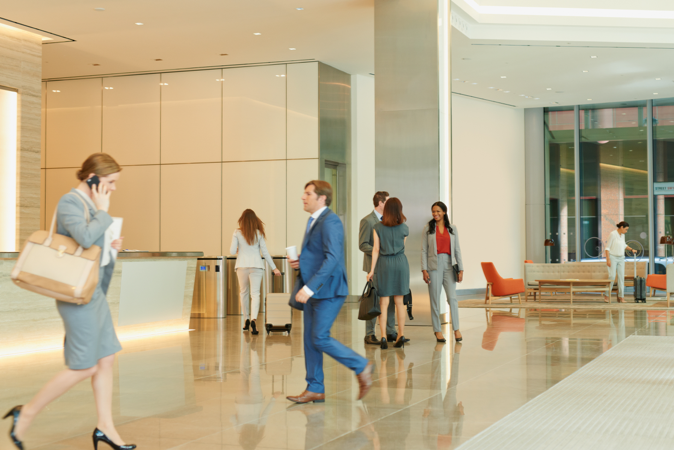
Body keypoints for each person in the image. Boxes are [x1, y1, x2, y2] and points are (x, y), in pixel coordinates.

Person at [4, 153, 136, 450]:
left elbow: (90, 246)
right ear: (93, 179)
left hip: (93, 294)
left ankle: (106, 428)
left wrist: (110, 245)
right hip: (76, 298)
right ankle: (25, 413)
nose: (114, 188)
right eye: (111, 182)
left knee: (106, 359)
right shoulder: (70, 202)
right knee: (84, 366)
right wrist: (103, 214)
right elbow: (85, 239)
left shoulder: (90, 205)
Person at [287, 180, 373, 403]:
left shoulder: (331, 221)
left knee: (320, 337)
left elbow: (333, 258)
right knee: (309, 339)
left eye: (308, 194)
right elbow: (319, 255)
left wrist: (309, 287)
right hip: (314, 289)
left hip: (329, 290)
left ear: (322, 198)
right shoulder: (313, 220)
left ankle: (361, 366)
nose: (303, 197)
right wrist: (300, 263)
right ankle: (315, 387)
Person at [367, 197, 410, 349]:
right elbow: (401, 248)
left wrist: (372, 270)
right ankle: (401, 334)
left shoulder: (377, 227)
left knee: (383, 303)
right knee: (400, 303)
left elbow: (376, 250)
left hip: (384, 264)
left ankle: (383, 336)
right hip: (400, 264)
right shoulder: (404, 228)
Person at [230, 209, 281, 335]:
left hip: (242, 266)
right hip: (257, 266)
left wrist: (237, 249)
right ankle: (254, 320)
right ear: (255, 220)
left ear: (242, 220)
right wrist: (274, 268)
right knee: (256, 294)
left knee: (244, 292)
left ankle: (246, 319)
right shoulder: (259, 233)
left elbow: (231, 251)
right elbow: (265, 253)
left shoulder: (237, 232)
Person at [359, 191, 399, 345]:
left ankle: (390, 332)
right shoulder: (367, 221)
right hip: (374, 268)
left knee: (389, 300)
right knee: (374, 301)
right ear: (381, 203)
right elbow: (363, 245)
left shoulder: (390, 220)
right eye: (387, 202)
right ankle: (369, 334)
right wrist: (379, 251)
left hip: (388, 267)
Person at [421, 201, 464, 343]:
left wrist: (461, 268)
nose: (435, 214)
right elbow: (424, 250)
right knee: (434, 299)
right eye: (433, 211)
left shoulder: (452, 228)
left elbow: (457, 249)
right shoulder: (428, 228)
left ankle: (456, 329)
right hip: (433, 265)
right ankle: (437, 330)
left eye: (438, 211)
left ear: (444, 212)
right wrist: (424, 269)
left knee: (452, 298)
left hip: (449, 265)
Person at [604, 221, 637, 303]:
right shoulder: (613, 234)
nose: (626, 231)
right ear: (621, 227)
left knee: (621, 277)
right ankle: (607, 295)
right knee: (612, 276)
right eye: (626, 229)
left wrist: (631, 249)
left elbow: (624, 245)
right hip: (612, 257)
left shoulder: (623, 235)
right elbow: (607, 248)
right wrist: (608, 259)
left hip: (621, 258)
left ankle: (621, 297)